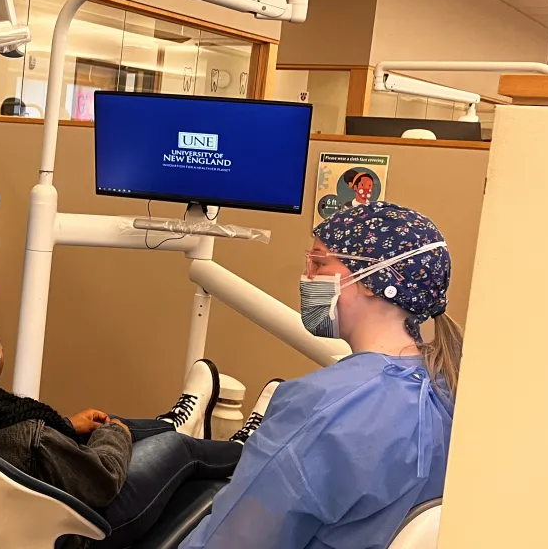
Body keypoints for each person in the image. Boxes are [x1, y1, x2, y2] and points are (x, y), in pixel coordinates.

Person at [182, 202, 460, 549]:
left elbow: (234, 540)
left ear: (374, 281)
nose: (308, 275)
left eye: (319, 262)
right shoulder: (451, 389)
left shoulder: (325, 409)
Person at [0, 298, 261, 549]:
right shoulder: (29, 440)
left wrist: (67, 425)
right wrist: (116, 434)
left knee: (118, 425)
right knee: (177, 449)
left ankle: (171, 423)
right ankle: (249, 448)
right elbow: (102, 477)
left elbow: (38, 449)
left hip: (29, 511)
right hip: (90, 526)